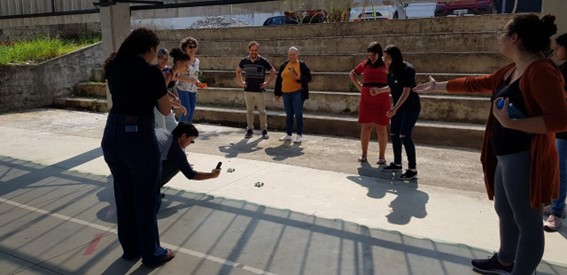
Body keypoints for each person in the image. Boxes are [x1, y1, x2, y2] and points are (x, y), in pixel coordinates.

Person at [415, 14, 567, 274]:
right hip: (506, 158)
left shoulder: (541, 70)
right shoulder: (512, 69)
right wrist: (437, 86)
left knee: (528, 223)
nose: (499, 38)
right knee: (504, 209)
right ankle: (506, 260)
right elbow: (478, 83)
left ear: (514, 38)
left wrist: (512, 124)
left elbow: (560, 120)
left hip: (525, 159)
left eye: (502, 33)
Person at [101, 28, 175, 268]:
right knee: (146, 197)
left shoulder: (114, 66)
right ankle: (152, 253)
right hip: (138, 135)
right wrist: (164, 84)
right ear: (151, 49)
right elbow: (164, 110)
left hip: (112, 134)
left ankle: (131, 249)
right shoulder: (150, 73)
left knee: (124, 195)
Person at [378, 45, 420, 180]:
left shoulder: (408, 69)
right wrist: (379, 90)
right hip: (398, 106)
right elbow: (392, 86)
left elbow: (406, 91)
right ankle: (397, 163)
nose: (385, 61)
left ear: (395, 57)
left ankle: (412, 169)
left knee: (404, 135)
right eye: (384, 58)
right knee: (394, 133)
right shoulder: (391, 70)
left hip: (410, 107)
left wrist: (395, 108)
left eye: (387, 58)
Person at [349, 42, 390, 165]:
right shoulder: (365, 64)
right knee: (366, 127)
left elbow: (393, 81)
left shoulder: (386, 65)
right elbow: (352, 74)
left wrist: (382, 90)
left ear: (379, 54)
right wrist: (360, 87)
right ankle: (364, 154)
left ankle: (382, 156)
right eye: (369, 55)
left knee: (381, 128)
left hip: (382, 99)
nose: (371, 57)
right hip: (367, 99)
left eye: (373, 55)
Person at [156, 122, 221, 197]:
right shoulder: (175, 150)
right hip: (141, 174)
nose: (191, 143)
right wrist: (212, 175)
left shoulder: (162, 131)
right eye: (191, 140)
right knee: (176, 165)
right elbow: (191, 175)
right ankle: (150, 190)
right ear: (184, 136)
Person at [544, 32, 567, 231]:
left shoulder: (562, 72)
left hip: (564, 129)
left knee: (560, 171)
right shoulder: (561, 70)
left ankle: (557, 212)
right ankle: (557, 204)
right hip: (561, 128)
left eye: (558, 48)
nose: (555, 51)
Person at [236, 41, 276, 139]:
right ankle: (249, 129)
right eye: (252, 50)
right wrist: (241, 82)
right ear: (249, 50)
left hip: (259, 90)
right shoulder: (244, 61)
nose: (254, 52)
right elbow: (238, 71)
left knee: (262, 111)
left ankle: (264, 130)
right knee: (249, 111)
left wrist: (267, 83)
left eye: (255, 50)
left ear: (258, 50)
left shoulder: (263, 61)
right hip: (248, 90)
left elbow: (273, 71)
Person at [274, 46, 312, 143]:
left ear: (297, 55)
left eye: (293, 54)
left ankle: (299, 135)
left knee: (298, 114)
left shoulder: (302, 65)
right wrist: (277, 93)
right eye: (290, 54)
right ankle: (288, 134)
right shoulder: (284, 65)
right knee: (289, 114)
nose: (291, 56)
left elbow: (309, 78)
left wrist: (297, 77)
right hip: (286, 93)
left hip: (297, 92)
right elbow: (279, 79)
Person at [153, 48, 188, 131]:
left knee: (175, 131)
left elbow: (163, 91)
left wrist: (173, 97)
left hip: (163, 108)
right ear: (158, 58)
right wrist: (178, 105)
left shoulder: (168, 72)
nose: (166, 61)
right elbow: (160, 94)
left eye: (167, 59)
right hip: (156, 108)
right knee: (162, 132)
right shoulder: (165, 73)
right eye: (186, 65)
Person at [175, 36, 205, 123]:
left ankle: (187, 133)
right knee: (186, 111)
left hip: (193, 89)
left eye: (194, 46)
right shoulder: (181, 60)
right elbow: (174, 76)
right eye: (190, 47)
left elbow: (195, 76)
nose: (193, 49)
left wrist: (198, 82)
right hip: (182, 88)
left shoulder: (197, 61)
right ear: (185, 48)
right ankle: (179, 132)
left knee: (191, 113)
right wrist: (188, 80)